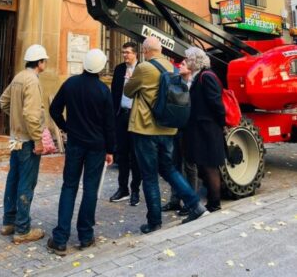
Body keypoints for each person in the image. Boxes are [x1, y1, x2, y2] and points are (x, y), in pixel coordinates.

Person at [124, 36, 209, 234]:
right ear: (160, 50)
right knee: (169, 169)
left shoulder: (144, 68)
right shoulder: (173, 67)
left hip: (146, 129)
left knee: (149, 176)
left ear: (145, 51)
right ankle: (195, 205)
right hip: (168, 128)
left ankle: (154, 221)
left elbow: (128, 91)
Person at [47, 49, 115, 256]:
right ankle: (85, 236)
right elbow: (109, 125)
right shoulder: (103, 91)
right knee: (90, 189)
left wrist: (66, 127)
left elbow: (54, 110)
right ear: (101, 68)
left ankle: (60, 238)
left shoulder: (70, 84)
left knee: (69, 187)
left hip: (75, 143)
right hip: (97, 146)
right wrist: (111, 150)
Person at [0, 44, 48, 244]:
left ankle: (8, 222)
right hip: (27, 141)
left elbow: (3, 101)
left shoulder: (19, 77)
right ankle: (22, 229)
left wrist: (15, 120)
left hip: (15, 139)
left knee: (13, 179)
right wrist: (38, 139)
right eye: (45, 60)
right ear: (40, 62)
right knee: (26, 183)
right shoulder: (33, 81)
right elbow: (31, 114)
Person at [182, 46, 226, 213]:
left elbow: (216, 103)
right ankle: (212, 200)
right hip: (202, 129)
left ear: (194, 61)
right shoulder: (199, 76)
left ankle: (215, 203)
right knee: (205, 166)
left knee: (210, 167)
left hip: (208, 129)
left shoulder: (206, 76)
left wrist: (222, 124)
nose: (185, 61)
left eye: (187, 59)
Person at [162, 61, 198, 215]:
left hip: (190, 130)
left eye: (183, 63)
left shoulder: (196, 84)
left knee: (190, 166)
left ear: (191, 67)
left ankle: (191, 203)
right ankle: (175, 200)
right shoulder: (176, 80)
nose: (180, 65)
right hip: (175, 128)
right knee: (175, 164)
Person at [110, 41, 142, 206]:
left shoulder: (142, 69)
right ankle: (123, 189)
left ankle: (135, 190)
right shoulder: (119, 69)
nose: (125, 55)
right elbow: (114, 93)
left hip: (136, 117)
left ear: (135, 54)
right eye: (123, 52)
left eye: (128, 52)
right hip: (121, 115)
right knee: (121, 154)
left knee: (135, 155)